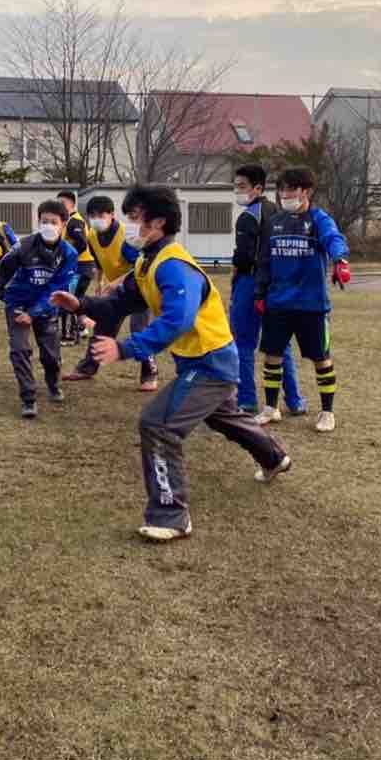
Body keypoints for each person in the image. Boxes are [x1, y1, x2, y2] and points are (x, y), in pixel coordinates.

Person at [51, 185, 291, 542]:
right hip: (199, 361)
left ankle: (171, 515)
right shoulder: (147, 261)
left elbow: (177, 320)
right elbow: (120, 303)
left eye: (135, 218)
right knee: (223, 416)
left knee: (158, 424)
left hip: (211, 364)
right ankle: (274, 457)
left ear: (158, 222)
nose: (130, 227)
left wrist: (126, 348)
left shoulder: (174, 266)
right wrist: (81, 305)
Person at [253, 166, 351, 433]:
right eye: (282, 189)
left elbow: (334, 239)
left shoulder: (319, 219)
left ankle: (327, 412)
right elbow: (264, 261)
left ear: (306, 191)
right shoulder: (275, 222)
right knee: (272, 356)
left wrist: (340, 260)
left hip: (311, 305)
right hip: (278, 303)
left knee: (321, 358)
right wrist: (260, 293)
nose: (285, 195)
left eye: (291, 189)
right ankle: (271, 408)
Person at [0, 199, 78, 419]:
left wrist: (34, 313)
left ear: (63, 224)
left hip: (47, 306)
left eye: (53, 222)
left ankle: (53, 384)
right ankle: (28, 398)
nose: (48, 226)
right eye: (44, 221)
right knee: (20, 349)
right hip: (17, 303)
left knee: (51, 355)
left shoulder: (69, 254)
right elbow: (3, 273)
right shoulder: (23, 247)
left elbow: (58, 288)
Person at [230, 165, 306, 416]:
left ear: (258, 188)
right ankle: (295, 400)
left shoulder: (248, 217)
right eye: (236, 186)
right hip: (277, 284)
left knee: (244, 343)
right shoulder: (279, 213)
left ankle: (247, 399)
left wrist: (235, 270)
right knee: (280, 344)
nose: (237, 191)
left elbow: (243, 257)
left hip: (250, 283)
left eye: (242, 186)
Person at [62, 194, 158, 391]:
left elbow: (141, 266)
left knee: (139, 329)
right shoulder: (92, 235)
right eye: (92, 216)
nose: (96, 219)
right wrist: (100, 282)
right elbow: (99, 261)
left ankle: (150, 374)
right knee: (103, 326)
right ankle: (87, 368)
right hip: (118, 290)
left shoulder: (126, 236)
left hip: (140, 288)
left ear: (112, 215)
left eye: (101, 215)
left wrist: (115, 283)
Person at [56, 190, 95, 345]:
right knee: (76, 299)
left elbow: (82, 243)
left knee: (68, 299)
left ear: (72, 204)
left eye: (62, 203)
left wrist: (68, 258)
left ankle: (69, 336)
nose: (59, 206)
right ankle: (81, 328)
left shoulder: (75, 221)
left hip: (80, 267)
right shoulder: (68, 221)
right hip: (81, 267)